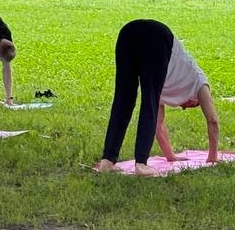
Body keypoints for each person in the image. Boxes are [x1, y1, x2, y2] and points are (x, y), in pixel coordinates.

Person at [93, 20, 220, 176]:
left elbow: (158, 125)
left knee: (124, 98)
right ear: (193, 101)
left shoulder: (167, 86)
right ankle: (141, 164)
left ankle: (108, 161)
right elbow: (213, 119)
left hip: (128, 32)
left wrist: (170, 156)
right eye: (187, 106)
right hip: (157, 37)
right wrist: (213, 158)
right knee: (143, 99)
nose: (182, 107)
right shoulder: (199, 81)